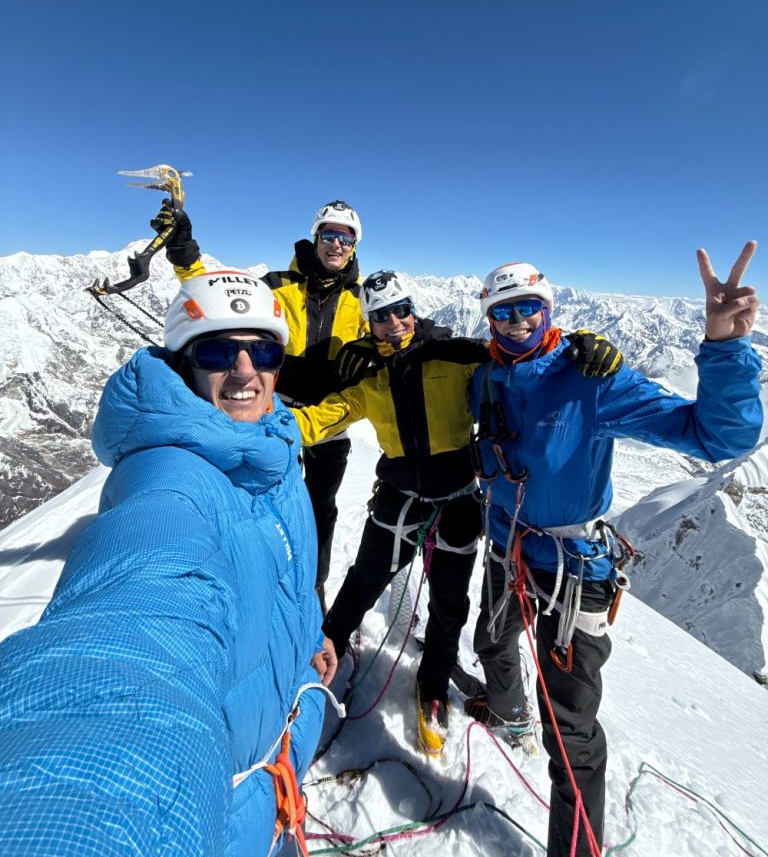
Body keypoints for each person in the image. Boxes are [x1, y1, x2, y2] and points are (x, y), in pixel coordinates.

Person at [0, 271, 336, 857]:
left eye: (263, 351)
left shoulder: (269, 447)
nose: (245, 371)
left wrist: (306, 636)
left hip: (269, 787)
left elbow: (278, 575)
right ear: (184, 366)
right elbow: (133, 643)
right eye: (217, 352)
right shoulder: (172, 483)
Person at [468, 244, 763, 857]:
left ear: (549, 310)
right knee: (492, 641)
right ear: (488, 318)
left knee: (570, 731)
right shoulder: (485, 377)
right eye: (503, 312)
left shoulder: (591, 379)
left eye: (528, 308)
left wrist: (726, 347)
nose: (517, 323)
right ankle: (508, 714)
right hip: (506, 548)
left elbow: (717, 437)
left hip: (575, 569)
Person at [290, 270, 623, 757]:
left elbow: (520, 356)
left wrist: (576, 347)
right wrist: (264, 425)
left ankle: (433, 685)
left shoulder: (457, 356)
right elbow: (323, 416)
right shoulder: (369, 374)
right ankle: (329, 648)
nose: (394, 322)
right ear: (369, 323)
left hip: (457, 499)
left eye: (401, 310)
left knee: (449, 605)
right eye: (380, 316)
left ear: (414, 310)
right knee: (363, 581)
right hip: (399, 497)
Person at [156, 199, 367, 611]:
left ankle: (312, 587)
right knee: (263, 499)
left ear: (353, 246)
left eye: (345, 238)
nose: (336, 245)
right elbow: (219, 296)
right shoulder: (275, 284)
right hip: (274, 415)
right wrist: (185, 254)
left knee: (320, 509)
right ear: (316, 238)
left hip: (328, 424)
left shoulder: (361, 299)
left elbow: (394, 337)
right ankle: (263, 579)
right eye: (329, 235)